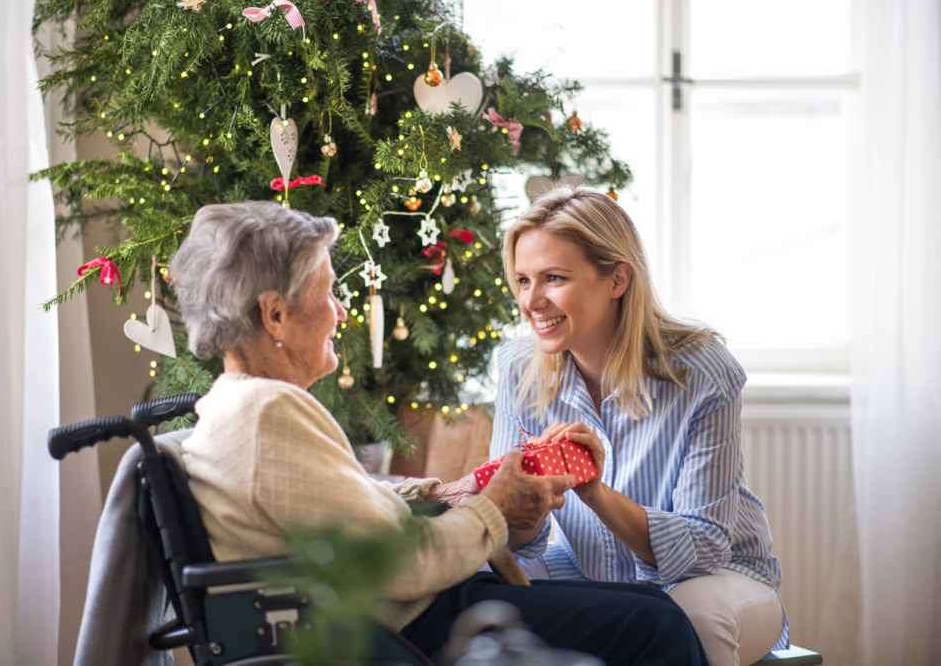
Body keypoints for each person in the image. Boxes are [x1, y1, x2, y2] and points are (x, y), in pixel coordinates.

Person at [170, 200, 709, 666]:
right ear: (276, 315)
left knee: (656, 610)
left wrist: (444, 492)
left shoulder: (240, 406)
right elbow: (401, 565)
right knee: (658, 626)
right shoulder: (267, 412)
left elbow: (339, 501)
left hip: (412, 611)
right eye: (327, 293)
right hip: (409, 626)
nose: (339, 312)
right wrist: (494, 507)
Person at [491, 185, 787, 666]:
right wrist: (523, 503)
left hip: (717, 580)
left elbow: (705, 548)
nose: (532, 301)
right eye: (523, 280)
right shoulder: (516, 370)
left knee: (692, 616)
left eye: (554, 278)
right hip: (583, 572)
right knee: (500, 599)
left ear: (617, 280)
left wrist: (594, 492)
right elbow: (513, 540)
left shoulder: (703, 372)